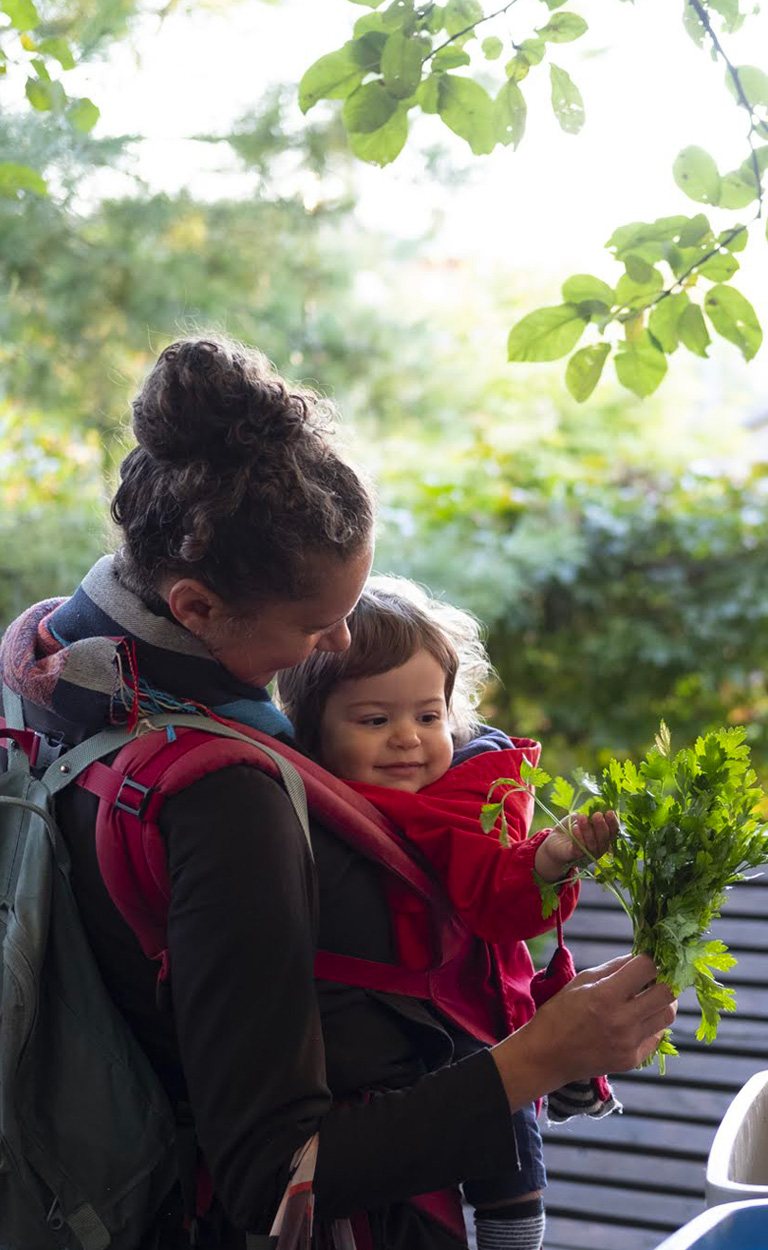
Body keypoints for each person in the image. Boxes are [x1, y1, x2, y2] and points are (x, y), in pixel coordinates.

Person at [0, 336, 677, 1250]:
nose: (339, 644)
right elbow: (275, 1177)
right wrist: (548, 1054)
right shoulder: (227, 797)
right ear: (196, 607)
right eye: (317, 622)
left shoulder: (47, 677)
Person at [276, 576, 618, 1250]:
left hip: (469, 1003)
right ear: (315, 728)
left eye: (428, 717)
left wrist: (550, 860)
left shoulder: (462, 802)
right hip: (391, 1030)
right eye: (376, 720)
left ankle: (515, 1226)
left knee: (495, 1092)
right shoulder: (306, 801)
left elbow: (499, 899)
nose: (408, 739)